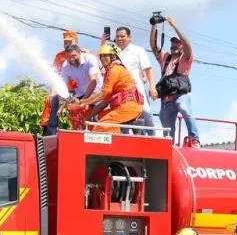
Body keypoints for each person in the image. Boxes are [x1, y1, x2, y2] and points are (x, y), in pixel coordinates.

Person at [69, 44, 144, 134]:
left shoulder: (115, 69)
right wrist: (88, 116)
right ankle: (130, 125)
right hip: (123, 107)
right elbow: (105, 101)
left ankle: (125, 129)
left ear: (113, 57)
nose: (103, 58)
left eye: (106, 56)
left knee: (101, 128)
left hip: (128, 108)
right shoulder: (110, 71)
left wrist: (84, 102)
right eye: (101, 56)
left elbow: (104, 94)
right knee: (99, 116)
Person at [149, 15, 199, 146]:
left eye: (178, 43)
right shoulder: (165, 57)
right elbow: (153, 46)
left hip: (180, 96)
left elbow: (187, 44)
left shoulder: (186, 58)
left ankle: (195, 139)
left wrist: (174, 26)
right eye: (173, 43)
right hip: (166, 100)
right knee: (166, 125)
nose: (175, 45)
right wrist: (154, 26)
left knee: (184, 109)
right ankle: (169, 146)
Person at [108, 26, 158, 135]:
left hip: (137, 90)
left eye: (122, 36)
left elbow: (148, 69)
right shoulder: (112, 52)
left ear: (129, 37)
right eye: (117, 36)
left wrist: (152, 86)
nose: (119, 39)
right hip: (119, 92)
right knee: (121, 117)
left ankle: (153, 138)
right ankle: (124, 141)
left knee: (146, 112)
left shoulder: (138, 50)